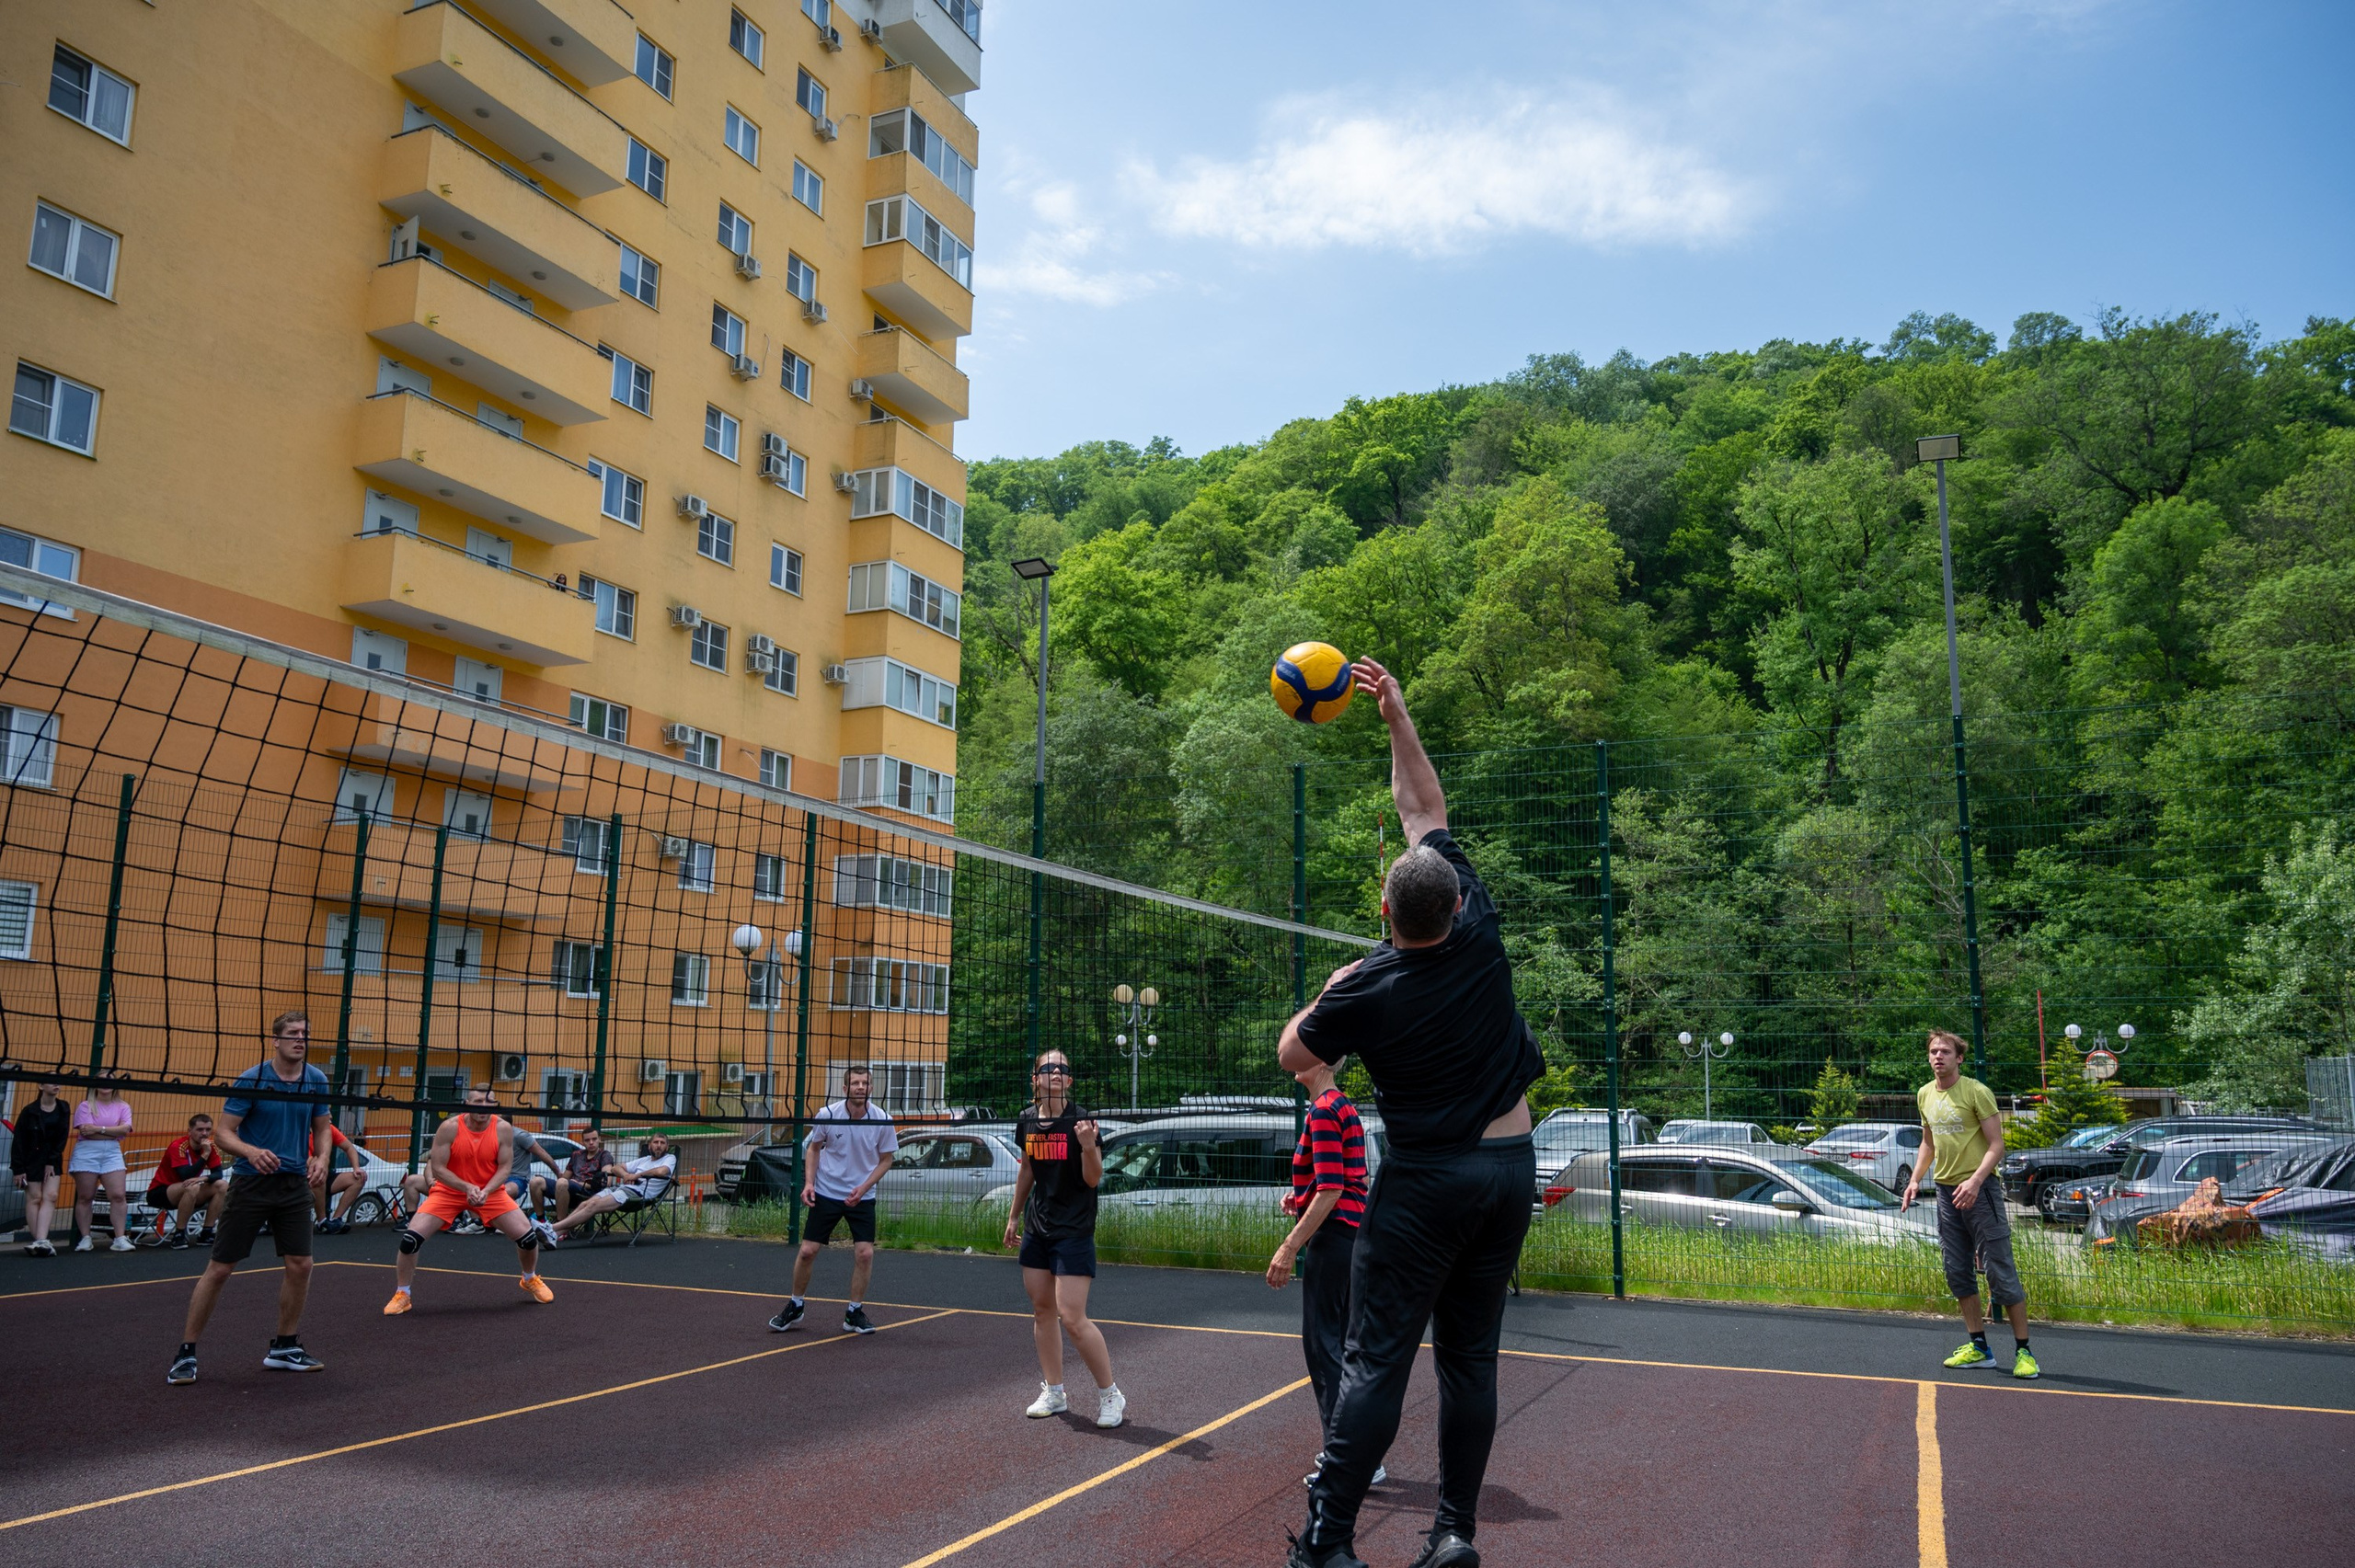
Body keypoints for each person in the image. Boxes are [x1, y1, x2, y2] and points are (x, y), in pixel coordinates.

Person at [1277, 658, 1544, 1568]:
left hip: (1428, 1181)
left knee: (1376, 1358)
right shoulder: (1479, 929)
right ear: (1457, 899)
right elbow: (1422, 813)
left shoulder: (1365, 986)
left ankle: (1326, 1543)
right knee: (1469, 1359)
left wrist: (1333, 984)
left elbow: (1293, 1054)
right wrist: (1396, 713)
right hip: (1510, 1171)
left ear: (1384, 908)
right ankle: (1452, 1534)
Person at [170, 1011, 334, 1384]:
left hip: (294, 1185)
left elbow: (323, 1128)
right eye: (292, 1033)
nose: (300, 1039)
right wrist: (250, 1151)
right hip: (251, 1183)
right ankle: (186, 1352)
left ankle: (285, 1346)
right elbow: (225, 1133)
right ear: (275, 1040)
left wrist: (322, 1157)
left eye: (304, 1034)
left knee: (301, 1265)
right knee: (221, 1268)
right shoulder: (253, 1078)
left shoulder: (316, 1080)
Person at [1266, 1056, 1381, 1492]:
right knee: (1344, 1347)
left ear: (1321, 1063)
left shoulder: (1325, 1111)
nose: (1293, 1058)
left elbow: (1334, 1188)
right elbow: (1340, 1182)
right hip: (1352, 1236)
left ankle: (1347, 1459)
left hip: (1335, 1240)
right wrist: (1300, 1199)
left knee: (1323, 1345)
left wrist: (1289, 1245)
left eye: (1303, 1052)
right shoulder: (1341, 1106)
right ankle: (1359, 1456)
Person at [1902, 1030, 2037, 1380]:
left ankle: (2025, 1352)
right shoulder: (1925, 1094)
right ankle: (1979, 1348)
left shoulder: (1976, 1091)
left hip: (1981, 1191)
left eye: (1945, 1051)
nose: (1938, 1057)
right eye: (1933, 1051)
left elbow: (1996, 1145)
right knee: (1957, 1271)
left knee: (1999, 1271)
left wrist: (1976, 1181)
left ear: (1959, 1058)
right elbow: (1928, 1144)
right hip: (1946, 1194)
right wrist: (1916, 1179)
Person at [1002, 1049, 1125, 1430]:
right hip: (1039, 1227)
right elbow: (1028, 1170)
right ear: (1035, 1079)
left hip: (1073, 1228)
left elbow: (1093, 1179)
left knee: (1072, 1316)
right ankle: (1054, 1391)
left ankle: (1110, 1394)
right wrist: (1013, 1214)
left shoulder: (1081, 1120)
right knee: (1042, 1310)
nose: (1055, 1073)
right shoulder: (1026, 1120)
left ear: (1069, 1081)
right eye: (1048, 1068)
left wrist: (1088, 1145)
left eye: (1062, 1069)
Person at [383, 1085, 553, 1313]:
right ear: (467, 1104)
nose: (483, 1107)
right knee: (410, 1240)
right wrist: (466, 1187)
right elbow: (438, 1167)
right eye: (478, 1102)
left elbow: (505, 1168)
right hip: (449, 1192)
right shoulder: (449, 1127)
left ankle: (529, 1278)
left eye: (488, 1102)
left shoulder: (503, 1128)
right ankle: (403, 1293)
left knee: (528, 1239)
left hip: (491, 1192)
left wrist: (485, 1191)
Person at [768, 1065, 898, 1335]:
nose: (860, 1087)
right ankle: (795, 1305)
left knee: (865, 1253)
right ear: (845, 1088)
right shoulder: (828, 1114)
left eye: (864, 1083)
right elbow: (814, 1149)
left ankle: (854, 1313)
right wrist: (809, 1183)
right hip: (827, 1191)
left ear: (871, 1088)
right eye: (855, 1083)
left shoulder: (883, 1119)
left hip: (862, 1196)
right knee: (807, 1251)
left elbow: (887, 1160)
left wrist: (863, 1188)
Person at [543, 1131, 676, 1242]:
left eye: (662, 1143)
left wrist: (636, 1176)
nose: (658, 1146)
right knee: (586, 1204)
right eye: (656, 1142)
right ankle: (555, 1235)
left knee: (593, 1207)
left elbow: (661, 1171)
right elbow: (616, 1168)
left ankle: (551, 1228)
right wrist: (625, 1175)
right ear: (649, 1145)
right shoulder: (644, 1160)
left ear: (667, 1146)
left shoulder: (670, 1158)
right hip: (622, 1189)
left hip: (638, 1194)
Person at [68, 1075, 136, 1253]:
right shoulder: (85, 1106)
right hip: (87, 1152)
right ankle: (85, 1238)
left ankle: (120, 1238)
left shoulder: (123, 1106)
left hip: (112, 1152)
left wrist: (99, 1129)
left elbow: (125, 1130)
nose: (105, 1084)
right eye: (101, 1080)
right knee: (85, 1197)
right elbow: (86, 1132)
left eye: (109, 1080)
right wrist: (113, 1132)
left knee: (118, 1195)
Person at [144, 1113, 228, 1249]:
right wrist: (204, 1155)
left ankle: (206, 1232)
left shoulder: (210, 1146)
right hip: (161, 1191)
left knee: (222, 1185)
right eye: (200, 1130)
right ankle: (179, 1234)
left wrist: (204, 1178)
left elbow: (218, 1174)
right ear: (189, 1131)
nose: (204, 1134)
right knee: (193, 1186)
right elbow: (185, 1175)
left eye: (208, 1130)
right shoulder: (179, 1146)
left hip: (188, 1190)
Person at [10, 1081, 72, 1256]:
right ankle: (39, 1241)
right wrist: (18, 1168)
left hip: (51, 1158)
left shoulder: (63, 1108)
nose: (56, 1085)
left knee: (50, 1196)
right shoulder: (29, 1111)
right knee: (35, 1197)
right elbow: (19, 1141)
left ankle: (41, 1240)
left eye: (57, 1082)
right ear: (40, 1086)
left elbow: (62, 1136)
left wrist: (51, 1161)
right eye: (51, 1082)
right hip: (31, 1159)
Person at [531, 1126, 613, 1220]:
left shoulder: (605, 1155)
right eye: (587, 1140)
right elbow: (565, 1178)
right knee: (536, 1182)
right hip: (570, 1188)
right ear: (582, 1142)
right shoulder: (576, 1155)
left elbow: (606, 1183)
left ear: (599, 1139)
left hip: (588, 1193)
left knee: (562, 1183)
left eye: (594, 1139)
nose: (591, 1142)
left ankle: (560, 1225)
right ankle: (541, 1221)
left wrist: (579, 1184)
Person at [312, 1123, 372, 1235]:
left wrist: (356, 1167)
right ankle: (322, 1222)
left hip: (322, 1173)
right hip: (303, 1176)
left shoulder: (329, 1129)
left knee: (358, 1178)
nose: (329, 1118)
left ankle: (336, 1220)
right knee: (317, 1175)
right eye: (326, 1115)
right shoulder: (301, 1130)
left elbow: (349, 1148)